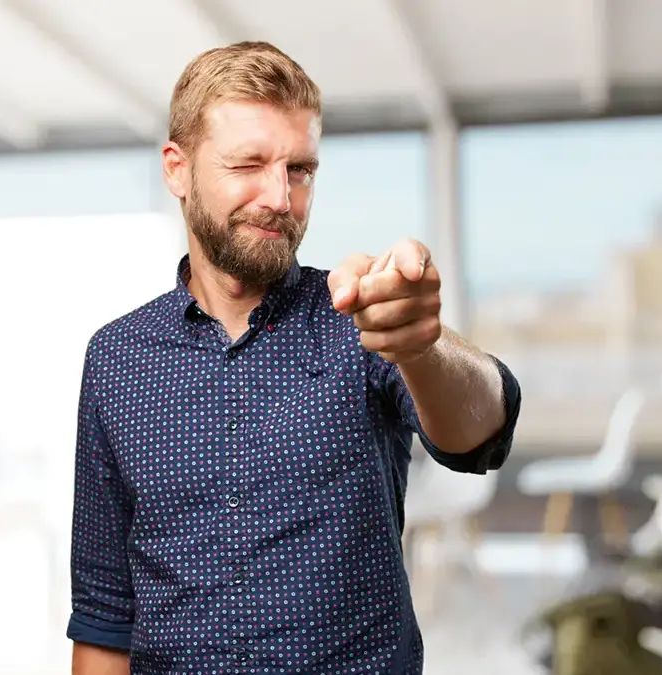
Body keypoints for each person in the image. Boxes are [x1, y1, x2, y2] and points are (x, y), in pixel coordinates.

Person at [67, 41, 521, 675]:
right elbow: (104, 611)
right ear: (177, 169)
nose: (280, 196)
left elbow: (481, 436)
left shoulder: (357, 320)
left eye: (300, 169)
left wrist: (425, 345)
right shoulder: (116, 357)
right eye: (249, 163)